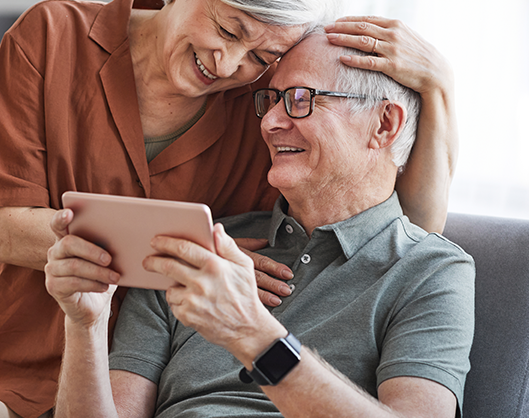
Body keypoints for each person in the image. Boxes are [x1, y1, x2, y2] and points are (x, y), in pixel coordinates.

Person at [0, 0, 458, 418]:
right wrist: (180, 255)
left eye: (262, 56)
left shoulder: (256, 109)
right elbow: (7, 231)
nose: (229, 64)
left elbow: (402, 226)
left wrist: (439, 87)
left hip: (106, 381)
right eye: (229, 29)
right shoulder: (51, 36)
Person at [45, 32, 475, 418]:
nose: (270, 122)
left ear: (384, 124)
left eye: (300, 99)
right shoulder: (200, 246)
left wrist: (252, 333)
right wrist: (86, 325)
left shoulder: (431, 270)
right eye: (269, 100)